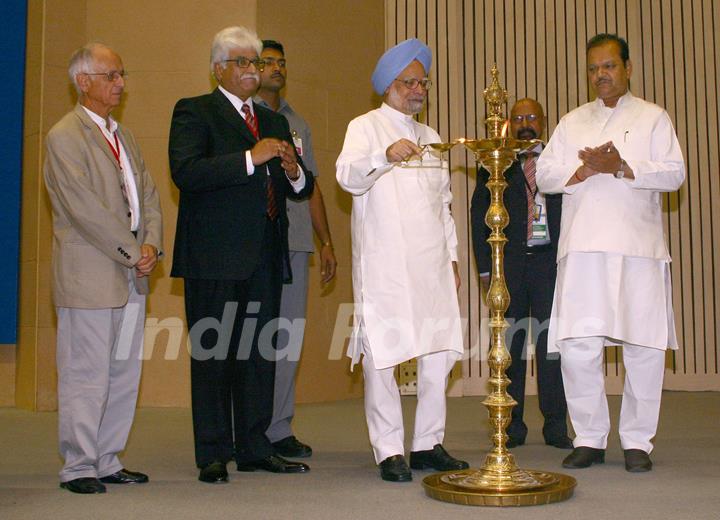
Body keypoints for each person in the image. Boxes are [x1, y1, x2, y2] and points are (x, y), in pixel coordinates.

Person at [168, 26, 314, 484]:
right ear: (218, 69)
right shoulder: (195, 111)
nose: (255, 70)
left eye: (258, 62)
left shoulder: (272, 119)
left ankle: (255, 446)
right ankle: (212, 452)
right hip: (213, 258)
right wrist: (251, 158)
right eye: (244, 63)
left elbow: (303, 186)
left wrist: (293, 173)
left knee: (259, 358)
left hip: (265, 257)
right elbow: (186, 172)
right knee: (213, 357)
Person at [536, 33, 685, 472]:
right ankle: (590, 437)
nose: (601, 75)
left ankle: (637, 441)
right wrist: (583, 169)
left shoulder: (654, 118)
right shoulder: (571, 121)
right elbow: (545, 174)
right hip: (582, 248)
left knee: (644, 345)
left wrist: (621, 166)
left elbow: (675, 174)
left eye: (609, 66)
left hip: (638, 247)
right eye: (593, 68)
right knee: (579, 344)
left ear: (628, 68)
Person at [336, 38, 469, 482]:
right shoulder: (365, 127)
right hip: (385, 266)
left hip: (431, 265)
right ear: (387, 86)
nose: (417, 90)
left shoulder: (431, 137)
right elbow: (347, 177)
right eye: (408, 82)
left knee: (436, 355)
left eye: (422, 82)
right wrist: (383, 155)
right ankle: (389, 449)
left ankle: (428, 444)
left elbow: (444, 205)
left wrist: (452, 258)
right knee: (384, 358)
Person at [44, 42, 163, 494]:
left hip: (131, 273)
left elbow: (148, 195)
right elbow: (84, 209)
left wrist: (151, 242)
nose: (120, 83)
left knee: (122, 373)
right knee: (85, 374)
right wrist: (135, 253)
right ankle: (78, 466)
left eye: (121, 74)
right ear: (83, 82)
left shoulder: (124, 135)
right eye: (111, 76)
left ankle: (108, 459)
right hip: (90, 275)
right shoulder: (64, 136)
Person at [470, 98, 572, 450]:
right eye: (518, 118)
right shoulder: (497, 161)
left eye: (531, 117)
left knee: (552, 347)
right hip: (509, 265)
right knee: (509, 347)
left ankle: (556, 425)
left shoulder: (560, 160)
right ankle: (511, 427)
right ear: (509, 123)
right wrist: (486, 269)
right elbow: (477, 216)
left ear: (544, 121)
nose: (524, 123)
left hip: (550, 265)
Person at [255, 39, 337, 459]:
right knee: (248, 336)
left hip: (295, 242)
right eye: (268, 62)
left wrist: (326, 242)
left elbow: (313, 185)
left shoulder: (297, 123)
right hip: (253, 245)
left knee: (285, 337)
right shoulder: (243, 116)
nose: (276, 68)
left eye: (281, 63)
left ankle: (278, 426)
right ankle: (247, 427)